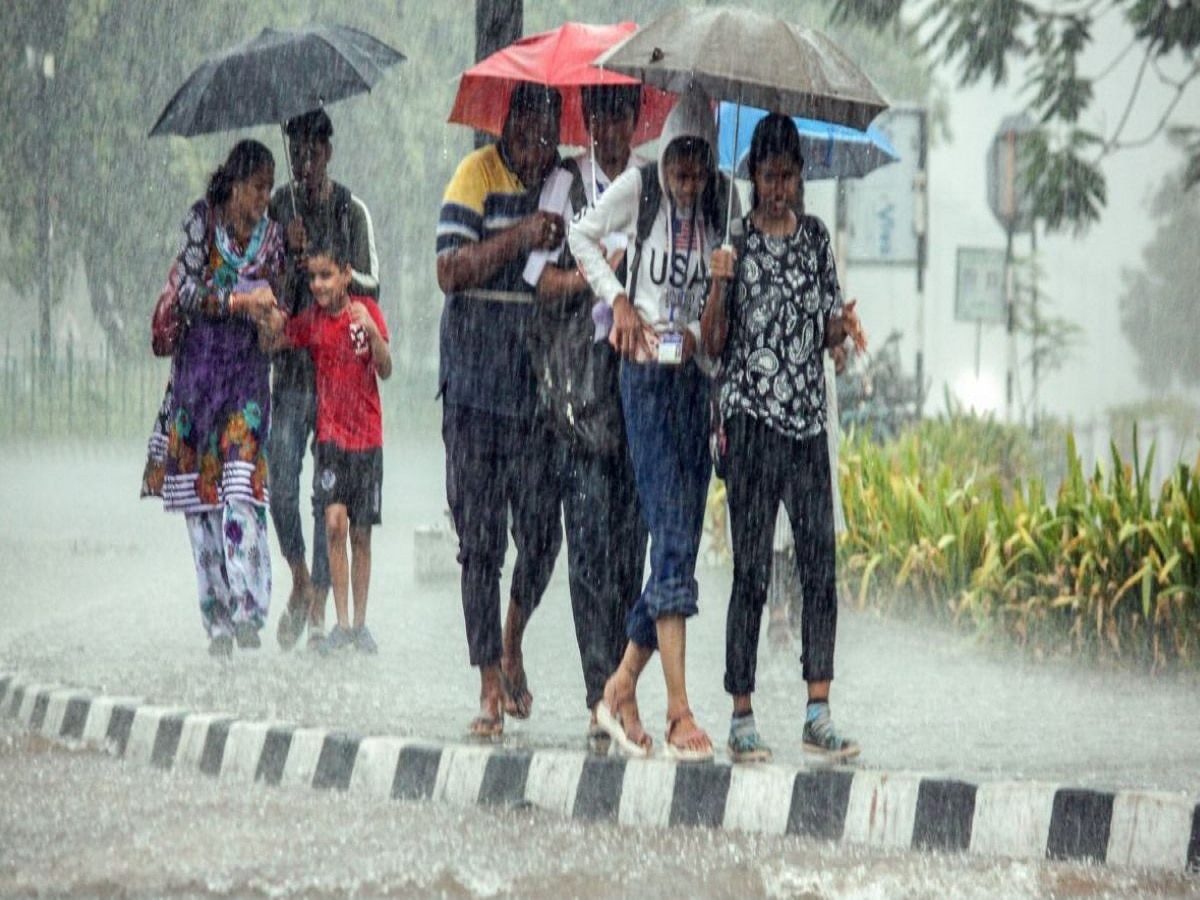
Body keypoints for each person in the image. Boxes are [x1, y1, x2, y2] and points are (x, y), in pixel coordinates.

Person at [570, 84, 737, 761]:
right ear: (666, 153)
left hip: (693, 385)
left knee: (678, 545)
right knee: (668, 536)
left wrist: (704, 319)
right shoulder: (638, 190)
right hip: (641, 379)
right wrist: (620, 305)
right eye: (680, 162)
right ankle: (678, 712)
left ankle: (618, 687)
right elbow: (581, 236)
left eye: (699, 163)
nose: (689, 177)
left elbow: (720, 309)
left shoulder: (726, 204)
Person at [701, 113, 864, 762]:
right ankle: (741, 710)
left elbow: (827, 325)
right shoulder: (734, 243)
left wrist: (843, 333)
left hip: (806, 426)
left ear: (800, 177)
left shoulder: (816, 239)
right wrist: (718, 280)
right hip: (750, 423)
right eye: (768, 177)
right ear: (754, 176)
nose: (778, 189)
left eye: (788, 177)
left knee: (818, 565)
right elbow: (712, 348)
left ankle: (817, 707)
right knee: (751, 572)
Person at [516, 83, 650, 751]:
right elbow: (539, 282)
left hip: (638, 389)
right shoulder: (567, 184)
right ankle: (599, 689)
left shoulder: (652, 187)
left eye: (621, 113)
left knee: (633, 548)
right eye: (598, 113)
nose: (609, 125)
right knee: (589, 547)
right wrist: (601, 279)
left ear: (636, 118)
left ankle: (624, 688)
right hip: (576, 394)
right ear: (588, 118)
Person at [436, 82, 566, 739]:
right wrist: (519, 236)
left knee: (543, 535)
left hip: (538, 396)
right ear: (507, 125)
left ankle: (513, 638)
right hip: (473, 392)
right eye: (525, 130)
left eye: (547, 134)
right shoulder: (475, 175)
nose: (535, 145)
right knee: (479, 543)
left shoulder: (565, 186)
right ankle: (488, 681)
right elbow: (449, 271)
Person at [155, 139, 285, 658]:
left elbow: (281, 298)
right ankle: (217, 622)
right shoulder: (200, 222)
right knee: (202, 503)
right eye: (258, 188)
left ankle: (249, 607)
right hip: (198, 378)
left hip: (247, 380)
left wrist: (273, 314)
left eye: (270, 189)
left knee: (239, 490)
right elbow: (185, 290)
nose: (264, 199)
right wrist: (236, 300)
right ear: (234, 184)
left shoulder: (274, 238)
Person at [269, 109, 381, 652]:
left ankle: (321, 598)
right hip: (293, 369)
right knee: (283, 482)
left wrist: (334, 273)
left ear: (328, 152)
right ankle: (299, 575)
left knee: (328, 495)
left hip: (337, 374)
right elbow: (268, 288)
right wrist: (287, 258)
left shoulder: (349, 208)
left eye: (312, 151)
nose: (304, 162)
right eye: (296, 152)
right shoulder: (277, 210)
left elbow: (373, 282)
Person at [261, 232, 391, 655]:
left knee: (362, 535)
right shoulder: (312, 324)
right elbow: (276, 341)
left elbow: (386, 368)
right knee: (334, 523)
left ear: (346, 275)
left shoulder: (365, 312)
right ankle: (338, 622)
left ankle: (360, 624)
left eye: (326, 276)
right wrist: (269, 317)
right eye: (313, 277)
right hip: (332, 439)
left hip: (368, 439)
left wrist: (372, 333)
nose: (318, 285)